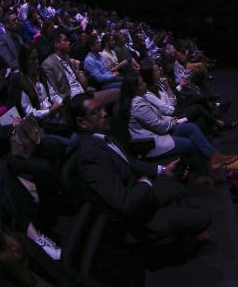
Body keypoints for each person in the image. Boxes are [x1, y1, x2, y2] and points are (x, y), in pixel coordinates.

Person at [71, 92, 212, 241]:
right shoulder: (90, 156)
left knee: (178, 189)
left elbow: (130, 162)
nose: (104, 113)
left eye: (102, 108)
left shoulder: (103, 135)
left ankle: (183, 227)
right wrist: (145, 183)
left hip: (140, 193)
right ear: (82, 122)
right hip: (139, 216)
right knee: (205, 218)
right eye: (95, 112)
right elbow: (125, 204)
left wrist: (163, 170)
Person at [41, 33, 119, 107]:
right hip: (72, 100)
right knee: (117, 92)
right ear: (56, 44)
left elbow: (77, 78)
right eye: (65, 40)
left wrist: (81, 74)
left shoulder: (66, 57)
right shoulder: (48, 64)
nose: (69, 43)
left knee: (117, 92)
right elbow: (54, 92)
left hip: (84, 93)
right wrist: (67, 101)